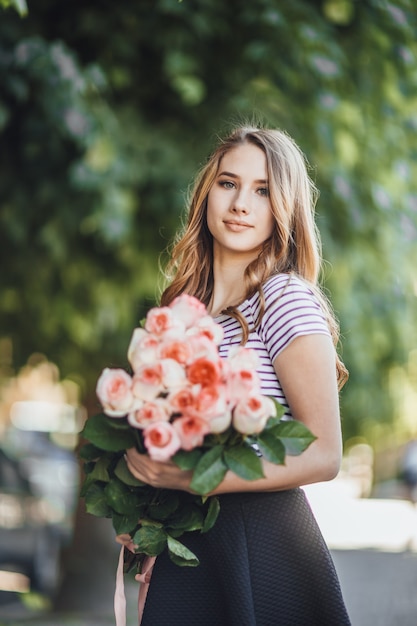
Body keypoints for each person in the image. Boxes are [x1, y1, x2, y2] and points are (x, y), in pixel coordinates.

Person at [126, 125, 351, 625]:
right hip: (189, 545)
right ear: (208, 193)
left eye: (263, 189)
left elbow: (325, 454)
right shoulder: (187, 315)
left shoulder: (284, 298)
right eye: (228, 183)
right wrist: (145, 508)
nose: (240, 203)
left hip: (262, 545)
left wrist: (199, 480)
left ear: (283, 208)